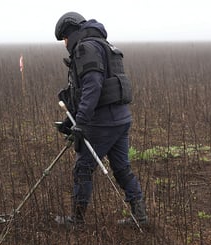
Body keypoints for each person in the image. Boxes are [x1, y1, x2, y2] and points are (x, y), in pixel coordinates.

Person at [54, 11, 148, 227]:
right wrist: (71, 122)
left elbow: (93, 86)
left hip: (102, 122)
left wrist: (83, 122)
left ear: (72, 32)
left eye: (65, 39)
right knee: (122, 167)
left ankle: (76, 221)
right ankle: (140, 216)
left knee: (83, 168)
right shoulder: (103, 45)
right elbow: (96, 87)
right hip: (120, 119)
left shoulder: (86, 48)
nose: (65, 44)